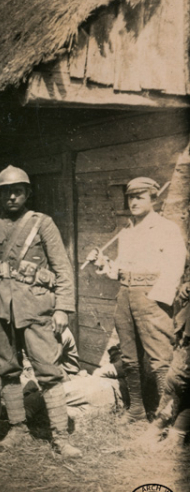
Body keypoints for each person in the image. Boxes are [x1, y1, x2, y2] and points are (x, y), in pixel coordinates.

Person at [0, 165, 80, 457]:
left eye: (17, 191)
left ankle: (60, 436)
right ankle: (17, 428)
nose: (12, 197)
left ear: (27, 193)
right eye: (5, 192)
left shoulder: (43, 223)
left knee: (49, 371)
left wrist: (63, 307)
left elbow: (63, 267)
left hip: (37, 308)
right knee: (7, 370)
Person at [86, 177, 186, 423]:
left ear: (154, 199)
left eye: (140, 196)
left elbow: (176, 265)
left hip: (152, 298)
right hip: (126, 296)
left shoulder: (166, 228)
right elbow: (119, 269)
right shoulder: (127, 232)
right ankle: (137, 410)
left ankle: (167, 417)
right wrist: (103, 262)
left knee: (160, 358)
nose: (134, 201)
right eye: (131, 197)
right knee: (129, 357)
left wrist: (156, 299)